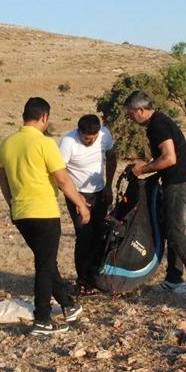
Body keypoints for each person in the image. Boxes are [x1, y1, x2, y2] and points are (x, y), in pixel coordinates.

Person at [0, 97, 90, 335]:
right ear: (44, 117)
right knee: (45, 265)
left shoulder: (7, 143)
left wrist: (12, 204)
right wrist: (81, 204)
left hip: (20, 213)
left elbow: (3, 180)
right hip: (44, 212)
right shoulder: (45, 143)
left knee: (46, 260)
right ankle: (42, 319)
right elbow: (62, 180)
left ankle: (68, 305)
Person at [123, 90, 186, 295]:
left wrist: (143, 169)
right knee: (172, 229)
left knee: (175, 231)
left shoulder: (158, 125)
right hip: (176, 182)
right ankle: (173, 278)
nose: (130, 117)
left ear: (141, 110)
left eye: (131, 113)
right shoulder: (157, 122)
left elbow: (169, 158)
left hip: (179, 183)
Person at [58, 114, 117, 292]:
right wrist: (76, 196)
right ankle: (83, 281)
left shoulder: (105, 135)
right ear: (79, 132)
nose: (91, 142)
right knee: (84, 236)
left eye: (94, 138)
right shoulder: (68, 142)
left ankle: (97, 276)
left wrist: (109, 185)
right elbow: (59, 173)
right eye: (87, 139)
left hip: (100, 192)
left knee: (101, 234)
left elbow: (111, 158)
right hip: (77, 194)